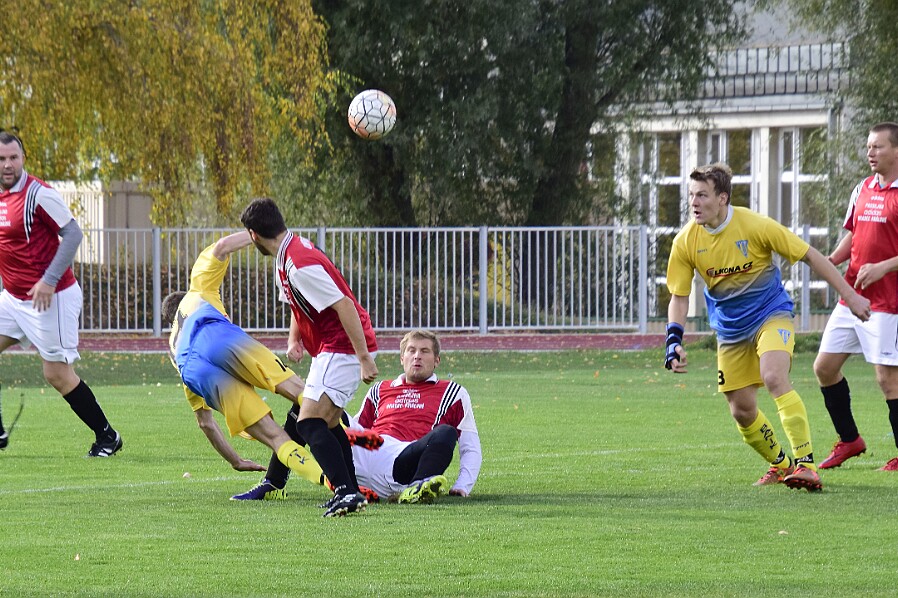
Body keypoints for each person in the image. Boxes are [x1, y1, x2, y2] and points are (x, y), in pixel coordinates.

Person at [665, 162, 871, 491]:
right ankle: (781, 465)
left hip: (770, 314)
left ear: (722, 198)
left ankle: (806, 465)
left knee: (774, 377)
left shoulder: (756, 225)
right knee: (742, 411)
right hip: (731, 331)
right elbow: (678, 296)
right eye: (690, 195)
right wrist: (673, 340)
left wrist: (851, 296)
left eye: (702, 195)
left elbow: (812, 256)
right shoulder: (685, 242)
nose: (694, 202)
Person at [161, 231, 332, 508]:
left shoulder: (173, 349)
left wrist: (236, 461)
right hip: (214, 335)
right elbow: (223, 246)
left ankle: (332, 482)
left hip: (193, 370)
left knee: (277, 438)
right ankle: (357, 441)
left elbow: (205, 423)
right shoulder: (198, 290)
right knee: (297, 390)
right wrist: (268, 238)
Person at [240, 197, 379, 516]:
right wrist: (295, 340)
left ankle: (346, 492)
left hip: (342, 346)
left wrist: (363, 357)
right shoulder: (287, 255)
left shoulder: (299, 263)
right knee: (327, 422)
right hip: (330, 347)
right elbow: (297, 303)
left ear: (253, 235)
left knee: (310, 423)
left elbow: (343, 304)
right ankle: (350, 489)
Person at [235, 329, 482, 504]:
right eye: (412, 350)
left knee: (446, 434)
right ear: (402, 357)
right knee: (307, 404)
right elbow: (359, 428)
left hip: (403, 460)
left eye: (425, 351)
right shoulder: (380, 388)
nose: (417, 356)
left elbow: (470, 445)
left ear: (436, 360)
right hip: (367, 449)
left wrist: (462, 485)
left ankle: (416, 488)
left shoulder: (453, 391)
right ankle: (273, 484)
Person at [0, 131, 122, 456]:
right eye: (2, 159)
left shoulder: (37, 194)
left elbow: (73, 233)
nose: (8, 164)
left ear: (23, 158)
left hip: (51, 298)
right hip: (13, 298)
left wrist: (49, 280)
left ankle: (107, 436)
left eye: (13, 157)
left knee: (56, 374)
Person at [813, 122, 898, 472]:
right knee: (824, 368)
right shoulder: (861, 188)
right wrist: (832, 260)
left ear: (896, 150)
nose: (870, 153)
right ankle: (850, 440)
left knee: (887, 378)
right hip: (852, 297)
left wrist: (884, 267)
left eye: (878, 147)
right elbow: (854, 233)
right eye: (868, 146)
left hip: (887, 303)